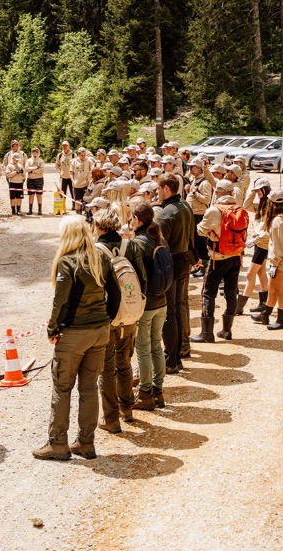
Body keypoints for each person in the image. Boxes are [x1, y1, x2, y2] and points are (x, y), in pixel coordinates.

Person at [34, 215, 121, 461]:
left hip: (74, 334)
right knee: (89, 388)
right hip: (99, 332)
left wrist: (52, 329)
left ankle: (58, 443)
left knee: (62, 388)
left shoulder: (66, 262)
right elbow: (115, 294)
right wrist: (107, 318)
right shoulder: (101, 257)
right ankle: (86, 442)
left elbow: (60, 301)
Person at [93, 209, 138, 433]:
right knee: (125, 361)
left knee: (106, 369)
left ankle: (110, 418)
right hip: (130, 315)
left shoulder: (95, 252)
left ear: (98, 227)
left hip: (107, 317)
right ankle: (127, 408)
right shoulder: (131, 246)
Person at [193, 178, 245, 343]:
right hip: (236, 256)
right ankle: (227, 330)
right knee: (231, 291)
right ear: (231, 193)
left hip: (218, 257)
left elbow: (200, 231)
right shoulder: (239, 209)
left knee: (208, 292)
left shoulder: (214, 210)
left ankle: (207, 333)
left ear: (217, 192)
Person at [128, 204, 167, 411]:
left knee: (143, 349)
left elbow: (136, 276)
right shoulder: (159, 238)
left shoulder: (138, 243)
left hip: (147, 304)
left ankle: (144, 394)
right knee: (156, 345)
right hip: (162, 301)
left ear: (137, 219)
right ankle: (158, 391)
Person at [155, 173, 194, 371]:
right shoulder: (185, 205)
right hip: (184, 261)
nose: (157, 191)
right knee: (178, 309)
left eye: (159, 188)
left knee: (169, 313)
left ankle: (171, 360)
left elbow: (161, 246)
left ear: (166, 189)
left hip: (172, 265)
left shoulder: (165, 213)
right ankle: (177, 354)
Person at [252, 191, 283, 330]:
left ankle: (282, 320)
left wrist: (274, 264)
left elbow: (279, 246)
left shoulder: (278, 221)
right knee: (272, 288)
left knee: (279, 290)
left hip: (281, 260)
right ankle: (265, 314)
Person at [241, 177, 272, 315]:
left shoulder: (270, 206)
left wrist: (254, 240)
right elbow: (246, 206)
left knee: (250, 274)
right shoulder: (261, 204)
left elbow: (269, 230)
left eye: (259, 190)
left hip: (262, 243)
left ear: (264, 190)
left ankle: (239, 306)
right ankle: (264, 303)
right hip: (259, 243)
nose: (257, 192)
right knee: (260, 272)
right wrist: (252, 192)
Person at [3, 140, 28, 215]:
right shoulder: (8, 154)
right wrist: (8, 172)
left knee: (19, 194)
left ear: (18, 146)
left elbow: (26, 164)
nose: (15, 147)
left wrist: (23, 172)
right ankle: (13, 209)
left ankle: (19, 209)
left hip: (20, 177)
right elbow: (4, 164)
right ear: (11, 146)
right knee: (12, 194)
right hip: (11, 177)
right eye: (13, 146)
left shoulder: (23, 154)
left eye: (16, 145)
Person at [25, 147, 46, 216]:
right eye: (33, 152)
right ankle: (30, 210)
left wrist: (34, 171)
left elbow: (42, 169)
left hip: (39, 179)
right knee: (31, 195)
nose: (35, 153)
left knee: (39, 195)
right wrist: (36, 168)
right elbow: (26, 169)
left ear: (38, 153)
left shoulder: (41, 161)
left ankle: (39, 210)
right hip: (30, 179)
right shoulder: (28, 160)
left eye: (36, 152)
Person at [56, 141, 76, 206]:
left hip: (71, 177)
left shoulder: (73, 155)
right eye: (63, 146)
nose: (64, 147)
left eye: (66, 145)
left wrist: (74, 173)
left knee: (73, 192)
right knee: (62, 192)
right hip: (63, 177)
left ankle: (74, 205)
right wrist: (59, 171)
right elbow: (57, 165)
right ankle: (62, 205)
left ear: (68, 146)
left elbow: (76, 165)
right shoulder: (60, 155)